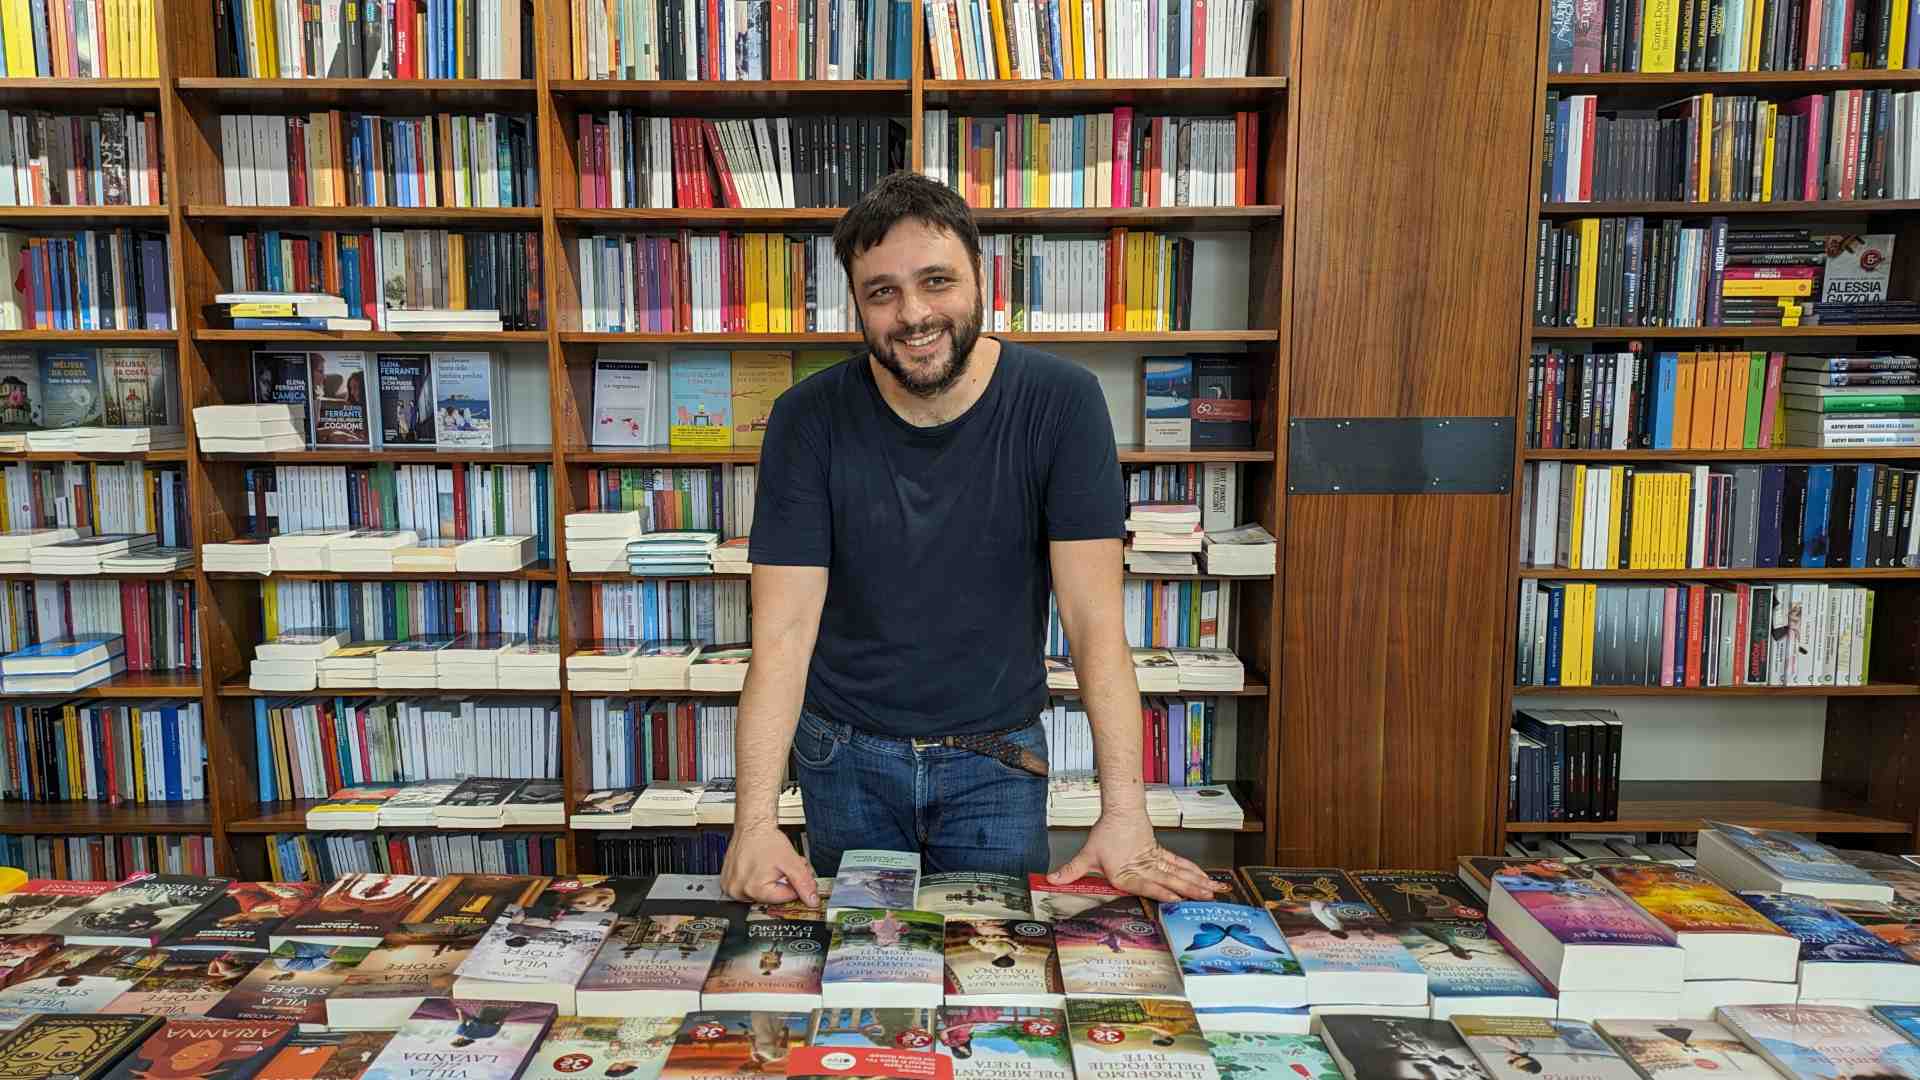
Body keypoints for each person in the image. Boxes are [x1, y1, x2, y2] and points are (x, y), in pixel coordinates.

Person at [719, 170, 1222, 907]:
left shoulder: (1063, 402)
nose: (913, 314)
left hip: (997, 761)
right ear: (856, 302)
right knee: (861, 968)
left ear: (981, 276)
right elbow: (783, 636)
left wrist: (1125, 812)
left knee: (996, 967)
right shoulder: (805, 418)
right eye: (882, 291)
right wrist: (755, 823)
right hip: (843, 757)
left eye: (936, 280)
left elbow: (1094, 625)